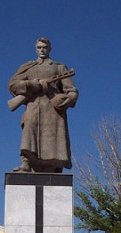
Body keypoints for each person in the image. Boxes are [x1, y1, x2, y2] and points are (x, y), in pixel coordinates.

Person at [8, 37, 79, 173]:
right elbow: (12, 84)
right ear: (35, 49)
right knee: (29, 132)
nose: (42, 50)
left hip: (52, 109)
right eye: (39, 47)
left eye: (44, 47)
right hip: (33, 106)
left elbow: (70, 89)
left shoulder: (59, 67)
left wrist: (69, 98)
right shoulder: (28, 67)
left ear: (50, 49)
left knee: (54, 138)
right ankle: (26, 163)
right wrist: (30, 84)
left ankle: (54, 166)